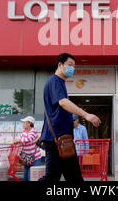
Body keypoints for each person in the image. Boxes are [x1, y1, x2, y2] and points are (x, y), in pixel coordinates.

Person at [38, 53, 101, 182]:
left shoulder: (59, 82)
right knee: (52, 178)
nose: (72, 69)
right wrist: (86, 115)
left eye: (74, 66)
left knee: (74, 177)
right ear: (60, 65)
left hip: (63, 140)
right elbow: (63, 102)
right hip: (57, 141)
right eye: (70, 65)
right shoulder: (55, 81)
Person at [14, 116, 42, 181]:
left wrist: (18, 140)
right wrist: (17, 143)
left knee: (31, 177)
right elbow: (22, 141)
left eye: (24, 123)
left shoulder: (33, 131)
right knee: (25, 177)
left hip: (35, 158)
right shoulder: (24, 131)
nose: (23, 124)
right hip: (25, 157)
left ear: (29, 123)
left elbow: (28, 139)